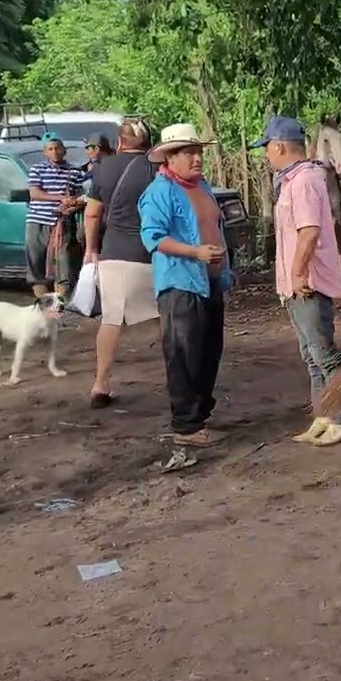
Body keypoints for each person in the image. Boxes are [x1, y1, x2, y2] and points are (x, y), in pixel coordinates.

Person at [251, 116, 341, 446]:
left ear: (280, 146)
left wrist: (297, 273)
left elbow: (309, 232)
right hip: (295, 284)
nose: (266, 154)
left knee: (324, 353)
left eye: (267, 147)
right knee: (311, 355)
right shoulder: (292, 180)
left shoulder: (304, 181)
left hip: (308, 282)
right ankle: (323, 415)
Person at [139, 123, 233, 447]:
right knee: (184, 354)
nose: (197, 158)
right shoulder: (160, 192)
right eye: (189, 153)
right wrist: (195, 252)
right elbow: (153, 237)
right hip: (180, 283)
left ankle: (199, 417)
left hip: (209, 281)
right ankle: (187, 426)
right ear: (170, 157)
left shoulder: (202, 186)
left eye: (199, 152)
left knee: (208, 352)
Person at [83, 118, 159, 408]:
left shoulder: (103, 168)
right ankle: (179, 377)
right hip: (153, 253)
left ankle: (100, 385)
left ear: (120, 142)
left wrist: (92, 249)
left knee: (112, 319)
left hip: (115, 252)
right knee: (164, 318)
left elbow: (92, 214)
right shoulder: (158, 168)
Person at [25, 136, 86, 298]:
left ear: (64, 151)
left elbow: (81, 196)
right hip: (38, 220)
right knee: (36, 259)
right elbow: (35, 194)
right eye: (50, 149)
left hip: (63, 222)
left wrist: (72, 204)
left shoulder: (74, 171)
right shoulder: (37, 169)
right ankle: (41, 299)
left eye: (57, 148)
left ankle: (62, 301)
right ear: (45, 152)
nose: (54, 152)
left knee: (63, 263)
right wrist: (60, 198)